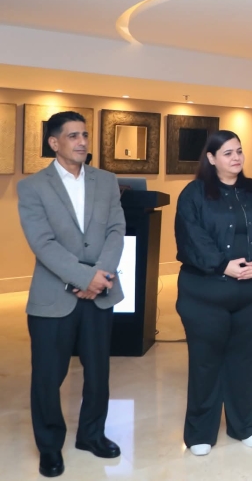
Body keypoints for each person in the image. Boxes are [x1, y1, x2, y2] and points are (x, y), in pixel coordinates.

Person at [17, 111, 125, 478]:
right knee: (48, 378)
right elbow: (42, 243)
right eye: (73, 135)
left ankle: (92, 435)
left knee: (98, 372)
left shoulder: (106, 181)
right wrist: (83, 277)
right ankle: (50, 446)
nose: (82, 142)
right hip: (53, 298)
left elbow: (116, 230)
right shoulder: (32, 187)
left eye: (85, 135)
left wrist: (99, 277)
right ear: (54, 142)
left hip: (100, 293)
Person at [174, 130, 252, 456]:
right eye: (227, 153)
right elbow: (191, 238)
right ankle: (200, 432)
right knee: (205, 362)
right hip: (205, 293)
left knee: (245, 361)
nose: (236, 158)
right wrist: (223, 265)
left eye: (239, 151)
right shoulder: (194, 194)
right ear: (211, 158)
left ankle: (244, 425)